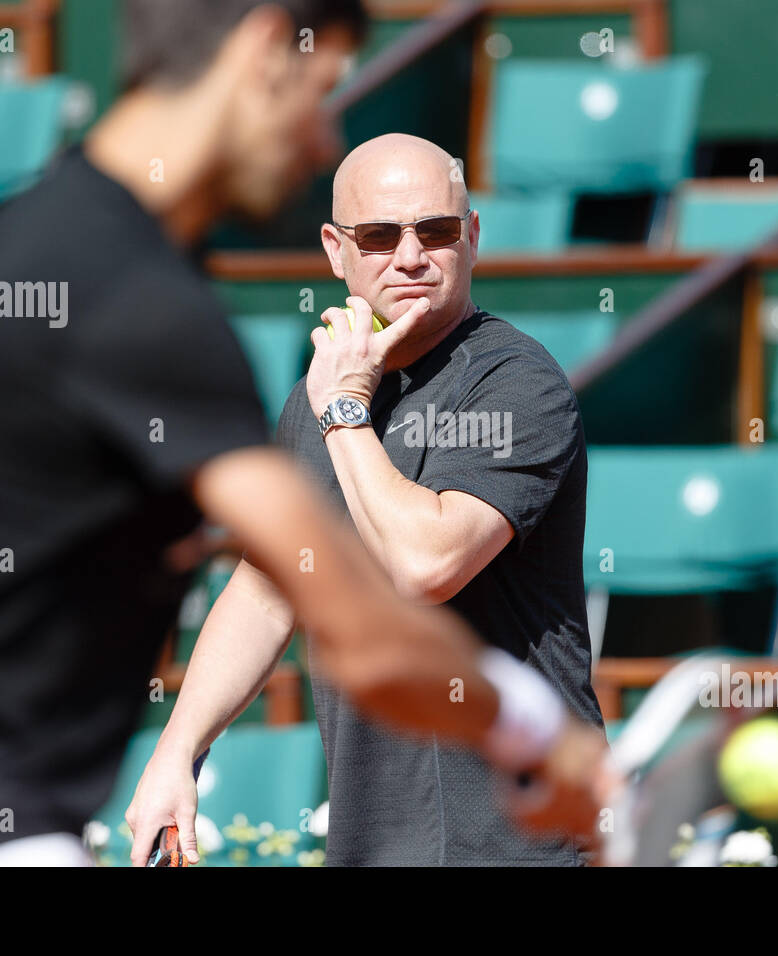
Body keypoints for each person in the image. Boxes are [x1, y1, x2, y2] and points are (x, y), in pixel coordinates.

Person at [0, 0, 607, 865]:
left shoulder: (51, 237)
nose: (317, 140)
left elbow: (287, 574)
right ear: (266, 50)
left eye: (434, 229)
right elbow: (363, 622)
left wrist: (177, 749)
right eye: (321, 91)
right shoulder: (144, 304)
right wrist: (539, 738)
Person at [125, 133, 607, 866]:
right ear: (335, 249)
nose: (409, 256)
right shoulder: (321, 396)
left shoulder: (517, 383)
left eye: (436, 231)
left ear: (472, 236)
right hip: (374, 841)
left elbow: (426, 565)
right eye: (380, 236)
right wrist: (178, 751)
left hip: (517, 844)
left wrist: (345, 412)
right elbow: (265, 590)